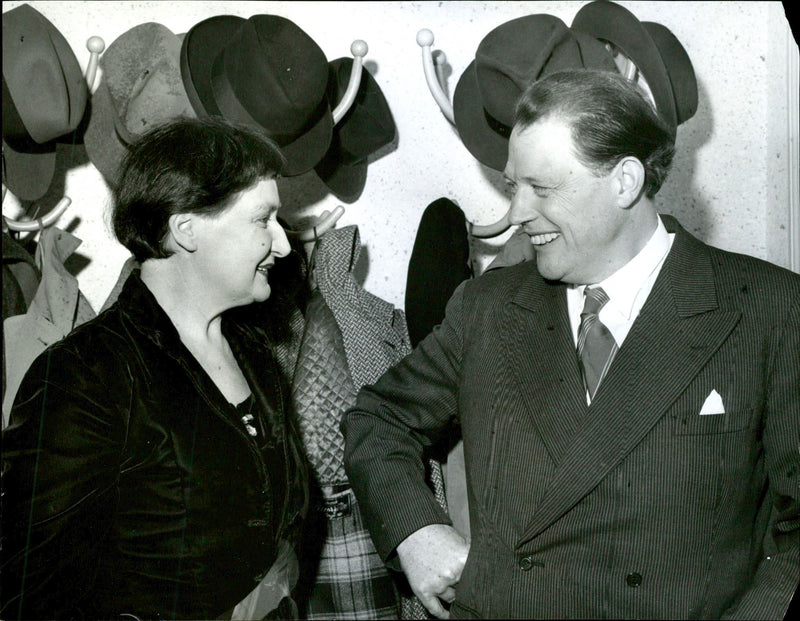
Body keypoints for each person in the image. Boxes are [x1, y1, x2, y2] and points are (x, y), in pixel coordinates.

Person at [342, 69, 800, 620]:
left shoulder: (771, 308)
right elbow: (378, 419)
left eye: (543, 188)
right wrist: (416, 531)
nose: (517, 213)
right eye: (514, 186)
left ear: (625, 181)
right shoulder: (486, 307)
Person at [1, 116, 310, 620]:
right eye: (262, 220)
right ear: (186, 228)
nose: (282, 244)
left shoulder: (255, 357)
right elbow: (32, 593)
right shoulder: (86, 375)